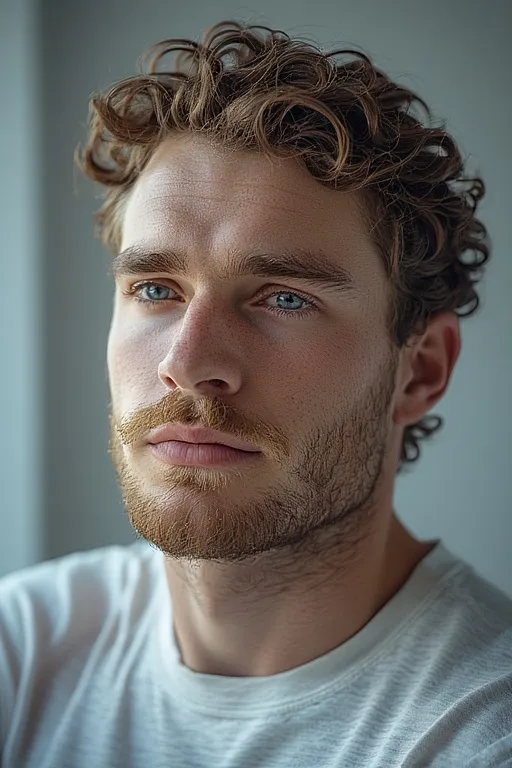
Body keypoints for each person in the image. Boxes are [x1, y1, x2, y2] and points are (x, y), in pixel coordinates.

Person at [1, 18, 511, 768]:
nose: (189, 362)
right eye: (155, 288)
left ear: (421, 370)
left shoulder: (479, 730)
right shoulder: (25, 649)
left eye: (284, 298)